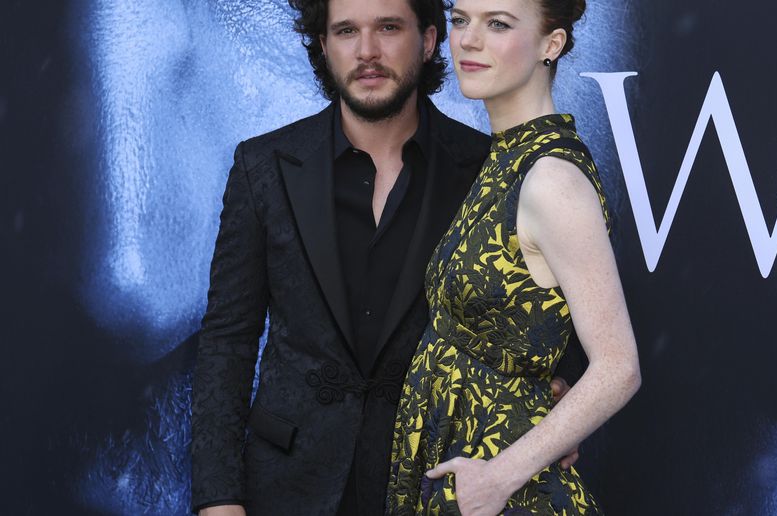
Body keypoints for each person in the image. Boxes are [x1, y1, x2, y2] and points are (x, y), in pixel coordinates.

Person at [190, 0, 586, 514]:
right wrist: (218, 500)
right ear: (324, 44)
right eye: (347, 31)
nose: (367, 51)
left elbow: (544, 324)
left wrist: (553, 402)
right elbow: (227, 339)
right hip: (286, 483)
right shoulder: (262, 166)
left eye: (388, 28)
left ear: (426, 41)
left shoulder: (489, 170)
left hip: (434, 482)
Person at [386, 0, 642, 514]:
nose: (468, 40)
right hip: (460, 465)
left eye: (497, 23)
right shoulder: (506, 158)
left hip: (502, 487)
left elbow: (619, 366)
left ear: (552, 44)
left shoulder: (552, 180)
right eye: (460, 20)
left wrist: (498, 477)